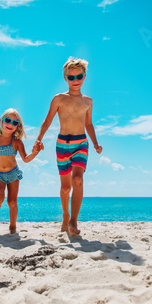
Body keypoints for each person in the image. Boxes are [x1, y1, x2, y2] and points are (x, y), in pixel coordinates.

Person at [35, 57, 103, 236]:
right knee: (66, 188)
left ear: (84, 76)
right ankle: (65, 215)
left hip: (81, 143)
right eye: (71, 77)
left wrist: (95, 143)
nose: (75, 81)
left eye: (79, 77)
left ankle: (73, 220)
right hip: (62, 145)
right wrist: (39, 138)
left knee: (78, 180)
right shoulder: (58, 98)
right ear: (65, 78)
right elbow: (48, 120)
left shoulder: (88, 101)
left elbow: (88, 124)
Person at [0, 108, 40, 234]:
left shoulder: (17, 142)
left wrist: (35, 153)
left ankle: (13, 226)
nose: (10, 124)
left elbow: (25, 159)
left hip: (13, 174)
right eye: (8, 120)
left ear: (17, 126)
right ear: (1, 121)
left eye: (15, 123)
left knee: (12, 201)